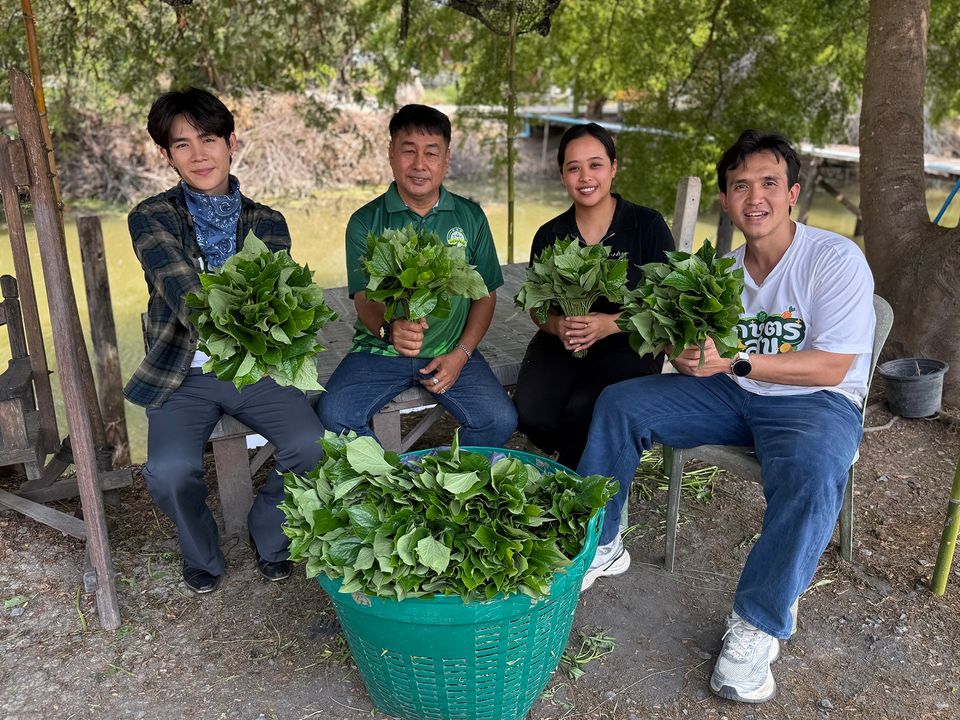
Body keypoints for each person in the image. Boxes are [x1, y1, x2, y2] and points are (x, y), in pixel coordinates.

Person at [577, 130, 875, 703]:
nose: (754, 197)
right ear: (725, 200)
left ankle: (757, 624)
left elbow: (833, 366)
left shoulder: (834, 259)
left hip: (815, 404)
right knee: (621, 402)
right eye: (740, 185)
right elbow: (704, 361)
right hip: (737, 393)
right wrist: (690, 360)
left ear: (792, 194)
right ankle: (603, 543)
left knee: (814, 473)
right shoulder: (721, 274)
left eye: (768, 183)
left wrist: (736, 361)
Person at [124, 88, 325, 594]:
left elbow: (278, 297)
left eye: (209, 139)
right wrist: (243, 311)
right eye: (182, 144)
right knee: (169, 473)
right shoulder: (151, 217)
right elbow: (182, 291)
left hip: (255, 367)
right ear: (166, 154)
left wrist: (263, 324)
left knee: (311, 445)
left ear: (231, 143)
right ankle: (202, 553)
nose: (199, 155)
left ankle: (270, 535)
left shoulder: (268, 222)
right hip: (183, 370)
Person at [317, 104, 516, 446]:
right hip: (379, 351)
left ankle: (441, 487)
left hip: (451, 351)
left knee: (499, 420)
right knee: (334, 415)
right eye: (408, 151)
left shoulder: (470, 217)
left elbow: (486, 295)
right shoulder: (365, 221)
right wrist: (388, 330)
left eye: (431, 153)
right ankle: (388, 487)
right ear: (391, 153)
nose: (419, 164)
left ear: (446, 159)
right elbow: (364, 300)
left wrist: (462, 354)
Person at [512, 123, 674, 469]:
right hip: (563, 342)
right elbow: (537, 308)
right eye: (574, 167)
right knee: (530, 411)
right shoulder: (550, 234)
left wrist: (610, 324)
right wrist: (557, 326)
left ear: (614, 168)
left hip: (631, 342)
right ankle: (577, 461)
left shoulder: (646, 225)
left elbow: (666, 304)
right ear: (562, 176)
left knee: (586, 409)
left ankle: (577, 485)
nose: (585, 176)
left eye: (596, 164)